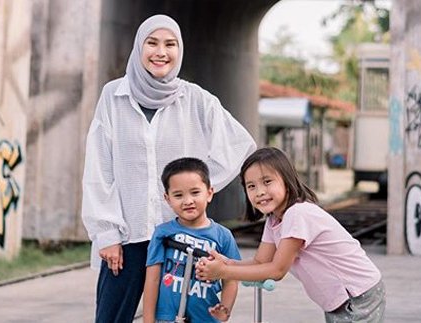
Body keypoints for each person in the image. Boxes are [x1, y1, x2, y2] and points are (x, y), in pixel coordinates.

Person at [80, 14, 256, 323]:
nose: (161, 52)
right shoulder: (113, 96)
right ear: (139, 47)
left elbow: (239, 145)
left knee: (174, 318)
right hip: (127, 238)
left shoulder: (195, 99)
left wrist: (194, 191)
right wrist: (106, 233)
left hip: (181, 238)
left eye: (170, 44)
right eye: (152, 43)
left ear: (179, 50)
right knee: (110, 318)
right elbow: (100, 167)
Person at [195, 147, 386, 322]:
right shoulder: (274, 219)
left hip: (358, 292)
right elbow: (261, 262)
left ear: (286, 181)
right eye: (251, 186)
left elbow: (277, 271)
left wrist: (224, 272)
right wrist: (227, 262)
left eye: (267, 181)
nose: (260, 192)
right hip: (339, 298)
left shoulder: (298, 213)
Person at [143, 157, 240, 323]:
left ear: (209, 193)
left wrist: (225, 310)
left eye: (195, 193)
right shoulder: (163, 233)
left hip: (206, 318)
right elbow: (152, 279)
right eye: (178, 195)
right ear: (168, 199)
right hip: (167, 318)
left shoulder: (223, 236)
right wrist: (148, 320)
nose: (188, 201)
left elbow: (231, 280)